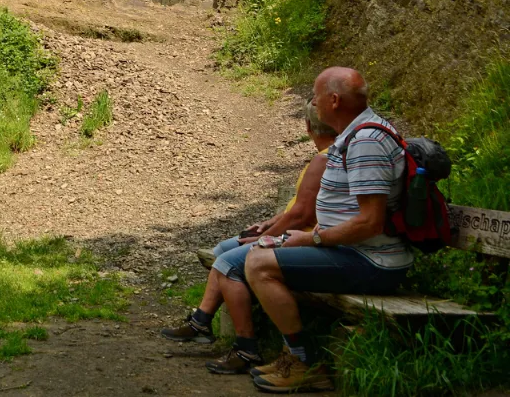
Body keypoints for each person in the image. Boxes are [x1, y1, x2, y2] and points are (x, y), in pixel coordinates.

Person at [246, 67, 412, 393]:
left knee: (258, 263)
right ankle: (294, 355)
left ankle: (304, 362)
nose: (313, 102)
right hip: (353, 252)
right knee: (262, 253)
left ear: (334, 100)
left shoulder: (366, 142)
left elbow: (371, 222)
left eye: (316, 96)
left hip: (374, 262)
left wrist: (313, 238)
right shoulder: (352, 135)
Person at [160, 101, 338, 375]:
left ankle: (246, 347)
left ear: (308, 127)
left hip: (301, 239)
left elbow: (302, 216)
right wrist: (269, 223)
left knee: (228, 264)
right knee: (222, 250)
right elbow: (300, 209)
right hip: (298, 234)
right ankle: (201, 322)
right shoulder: (329, 156)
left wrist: (264, 238)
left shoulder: (323, 161)